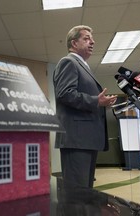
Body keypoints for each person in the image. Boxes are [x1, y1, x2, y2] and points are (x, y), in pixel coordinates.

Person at [53, 25, 117, 189]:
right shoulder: (68, 62)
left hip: (85, 140)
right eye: (86, 38)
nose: (92, 42)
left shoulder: (83, 66)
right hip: (76, 140)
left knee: (85, 192)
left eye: (92, 39)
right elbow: (65, 94)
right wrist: (96, 101)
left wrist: (102, 103)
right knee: (76, 194)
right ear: (74, 43)